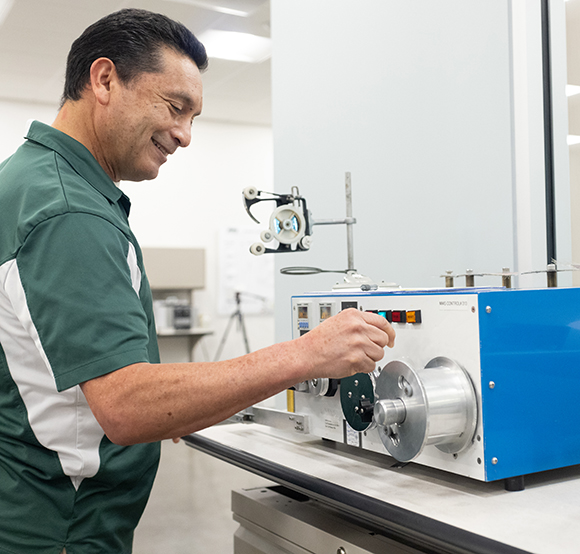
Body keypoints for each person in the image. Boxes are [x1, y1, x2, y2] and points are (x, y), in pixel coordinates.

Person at [0, 8, 395, 554]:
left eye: (195, 117)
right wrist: (307, 354)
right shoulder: (70, 212)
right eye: (175, 107)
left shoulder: (28, 182)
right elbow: (128, 405)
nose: (185, 136)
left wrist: (196, 400)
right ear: (105, 79)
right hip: (61, 528)